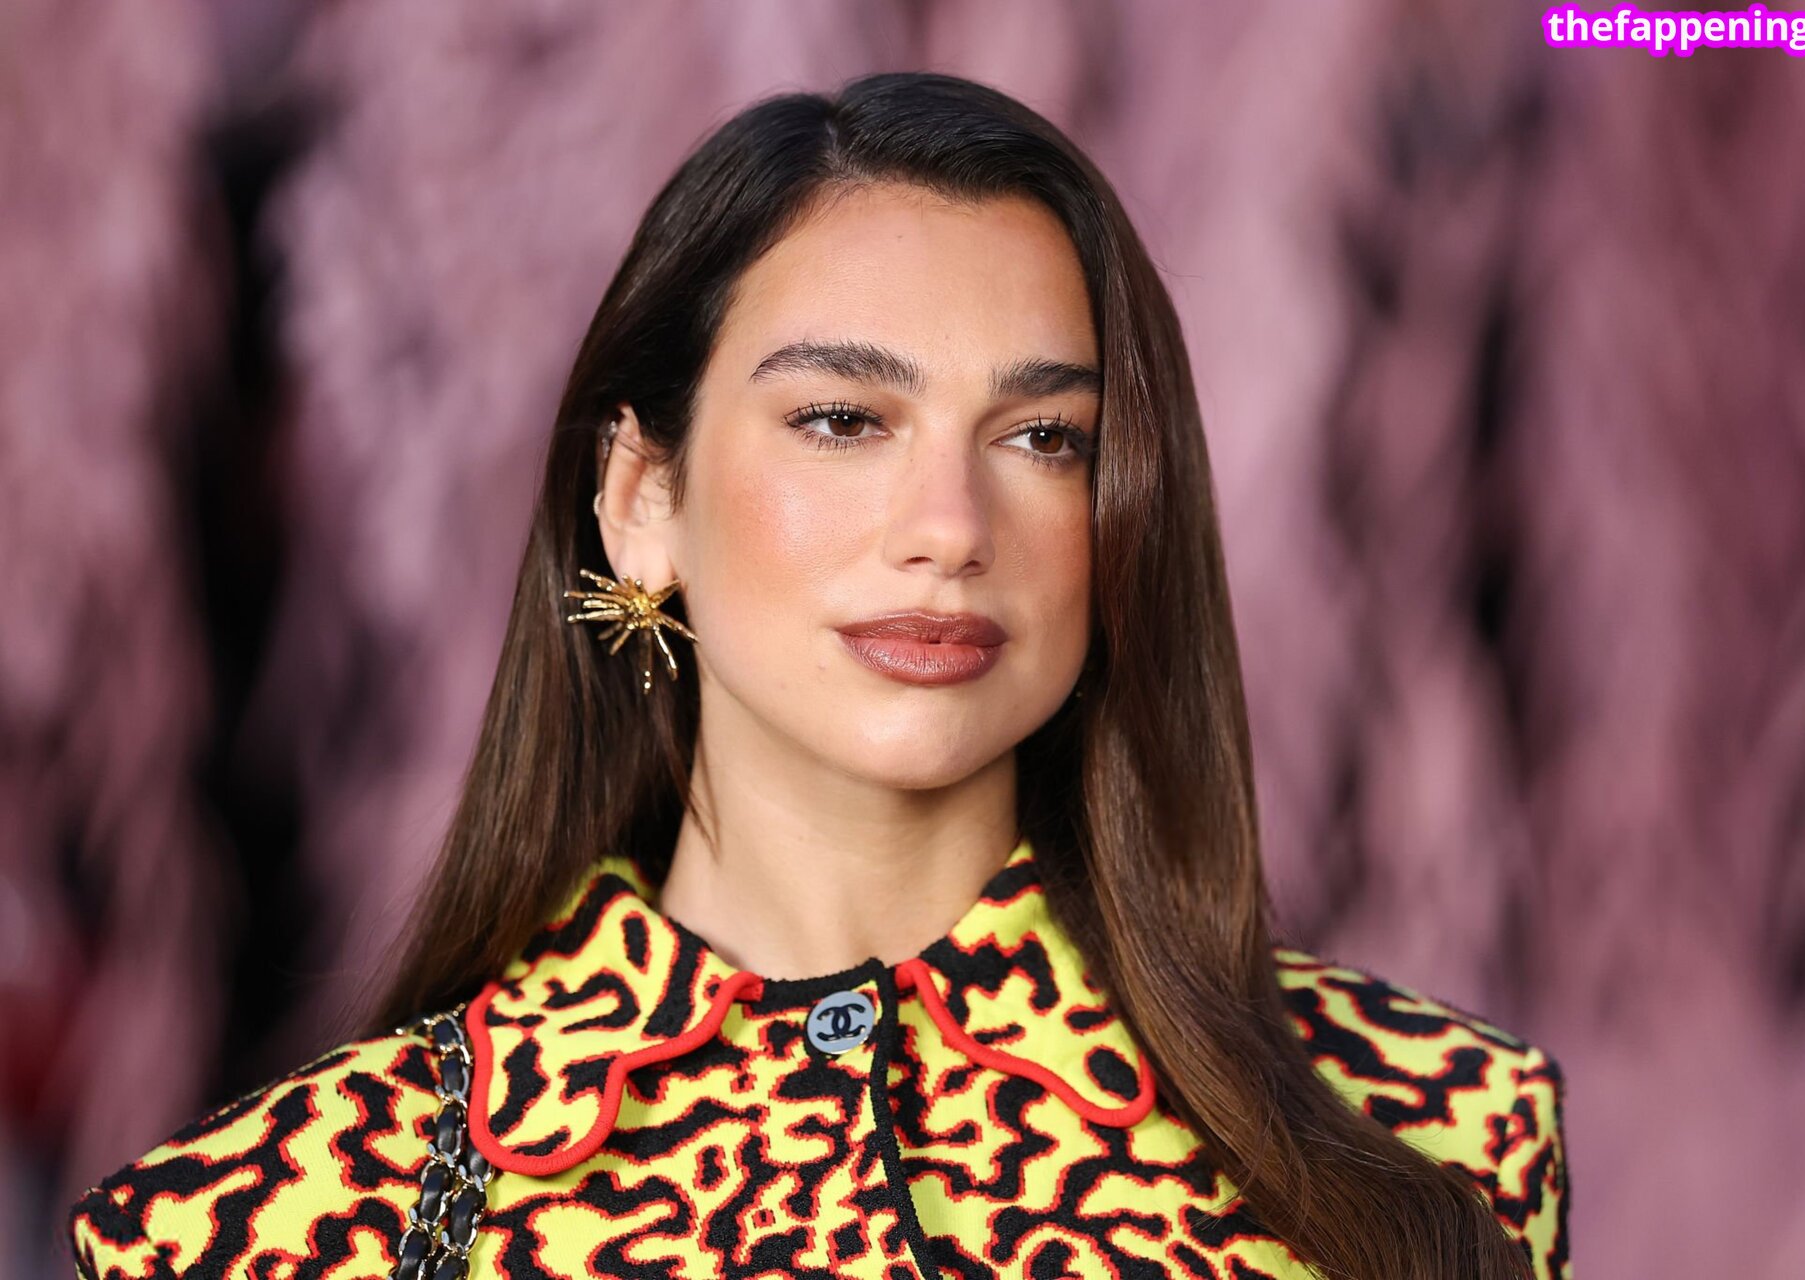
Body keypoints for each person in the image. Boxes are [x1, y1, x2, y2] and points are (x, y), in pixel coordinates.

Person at [67, 71, 1570, 1280]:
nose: (951, 528)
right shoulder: (267, 1226)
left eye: (1044, 438)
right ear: (641, 497)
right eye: (844, 420)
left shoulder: (1433, 1135)